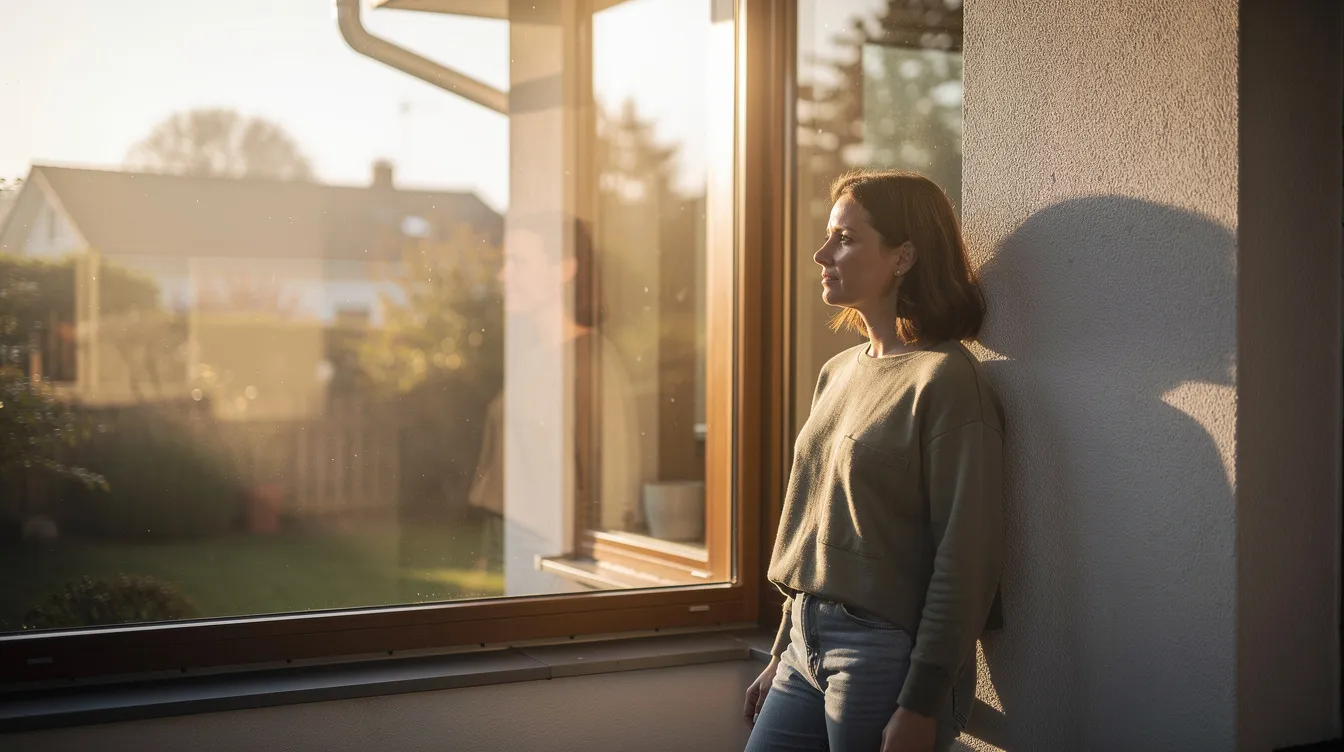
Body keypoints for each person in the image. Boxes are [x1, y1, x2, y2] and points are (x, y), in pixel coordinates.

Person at [743, 170, 1004, 752]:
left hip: (881, 653)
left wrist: (921, 701)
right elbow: (813, 526)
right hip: (803, 646)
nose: (821, 252)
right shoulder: (837, 372)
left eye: (845, 238)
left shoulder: (947, 381)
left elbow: (967, 557)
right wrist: (782, 650)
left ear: (903, 255)